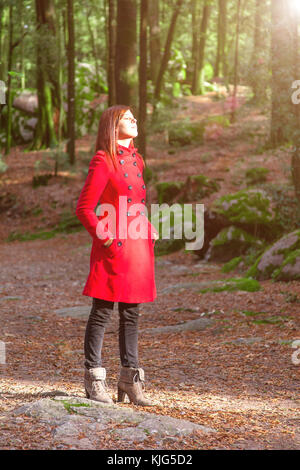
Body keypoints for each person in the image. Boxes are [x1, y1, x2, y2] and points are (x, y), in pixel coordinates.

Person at [75, 105, 159, 406]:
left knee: (131, 313)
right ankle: (94, 379)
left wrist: (146, 225)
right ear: (113, 125)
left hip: (135, 243)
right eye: (127, 118)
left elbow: (133, 202)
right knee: (101, 311)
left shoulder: (137, 160)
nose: (134, 121)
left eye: (134, 117)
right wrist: (107, 238)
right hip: (113, 245)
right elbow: (84, 208)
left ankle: (130, 379)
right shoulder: (104, 160)